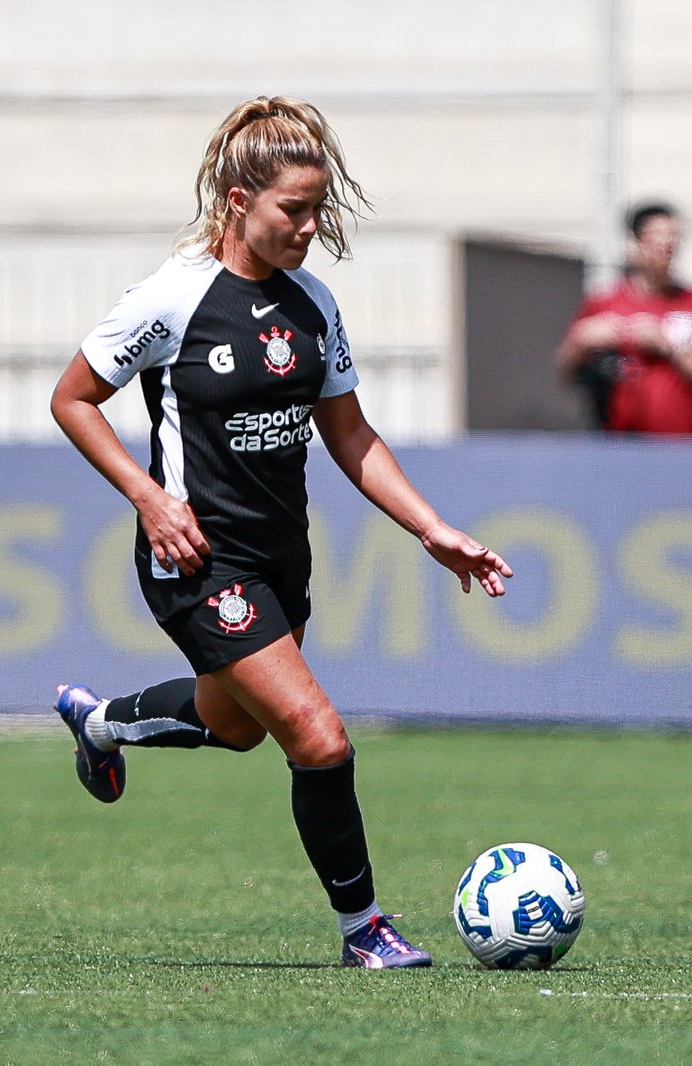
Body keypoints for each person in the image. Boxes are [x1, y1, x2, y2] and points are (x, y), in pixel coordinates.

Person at [48, 96, 513, 970]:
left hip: (280, 560)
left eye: (317, 208)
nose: (309, 227)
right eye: (293, 210)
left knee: (236, 727)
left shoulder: (313, 304)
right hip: (197, 558)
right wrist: (149, 498)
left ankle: (101, 724)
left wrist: (432, 529)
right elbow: (72, 399)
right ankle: (364, 929)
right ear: (238, 201)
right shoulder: (173, 297)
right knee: (318, 735)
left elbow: (351, 435)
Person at [555, 201, 692, 439]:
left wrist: (669, 345)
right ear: (634, 243)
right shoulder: (604, 302)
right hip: (617, 445)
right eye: (657, 235)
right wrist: (581, 341)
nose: (667, 244)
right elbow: (564, 372)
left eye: (673, 236)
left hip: (682, 447)